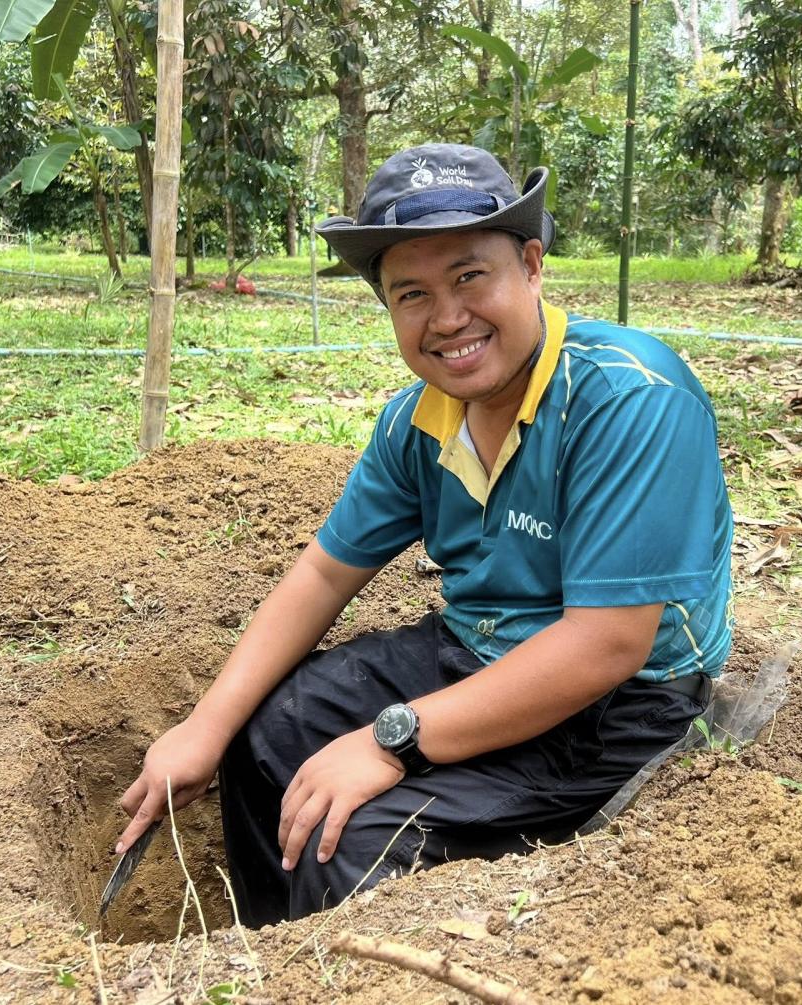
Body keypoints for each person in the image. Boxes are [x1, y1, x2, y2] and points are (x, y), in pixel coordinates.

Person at [117, 143, 734, 927]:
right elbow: (323, 575)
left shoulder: (627, 397)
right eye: (412, 293)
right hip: (475, 645)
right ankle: (270, 951)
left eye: (470, 276)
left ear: (532, 267)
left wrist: (389, 742)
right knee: (264, 737)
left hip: (623, 702)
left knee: (356, 840)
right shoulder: (417, 420)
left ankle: (346, 965)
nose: (447, 319)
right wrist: (204, 728)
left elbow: (606, 645)